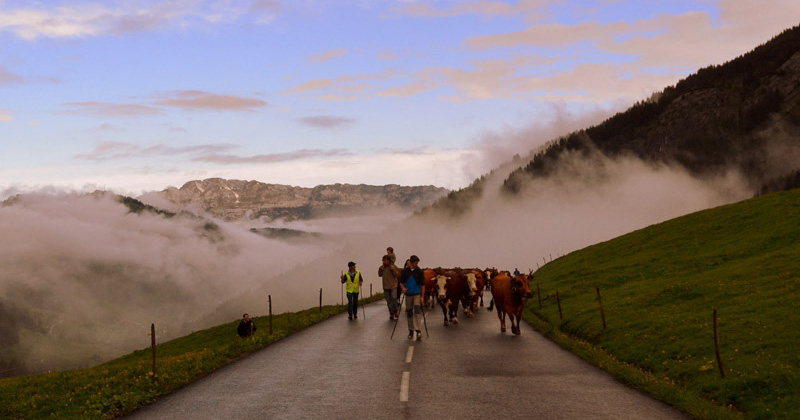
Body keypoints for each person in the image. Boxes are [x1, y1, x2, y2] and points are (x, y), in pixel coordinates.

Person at [400, 255, 425, 341]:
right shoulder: (405, 271)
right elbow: (401, 282)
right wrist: (403, 288)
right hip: (408, 294)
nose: (417, 264)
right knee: (409, 312)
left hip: (417, 294)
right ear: (411, 262)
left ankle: (418, 330)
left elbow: (423, 285)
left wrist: (422, 296)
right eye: (415, 263)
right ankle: (411, 330)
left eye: (417, 263)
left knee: (417, 310)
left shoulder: (419, 271)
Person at [379, 254, 400, 320]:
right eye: (383, 260)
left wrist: (393, 270)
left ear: (388, 261)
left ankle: (396, 311)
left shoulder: (394, 266)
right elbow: (379, 275)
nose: (384, 262)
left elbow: (397, 275)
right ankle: (391, 313)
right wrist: (381, 269)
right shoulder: (382, 267)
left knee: (394, 298)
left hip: (393, 286)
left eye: (385, 260)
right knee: (388, 301)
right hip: (386, 287)